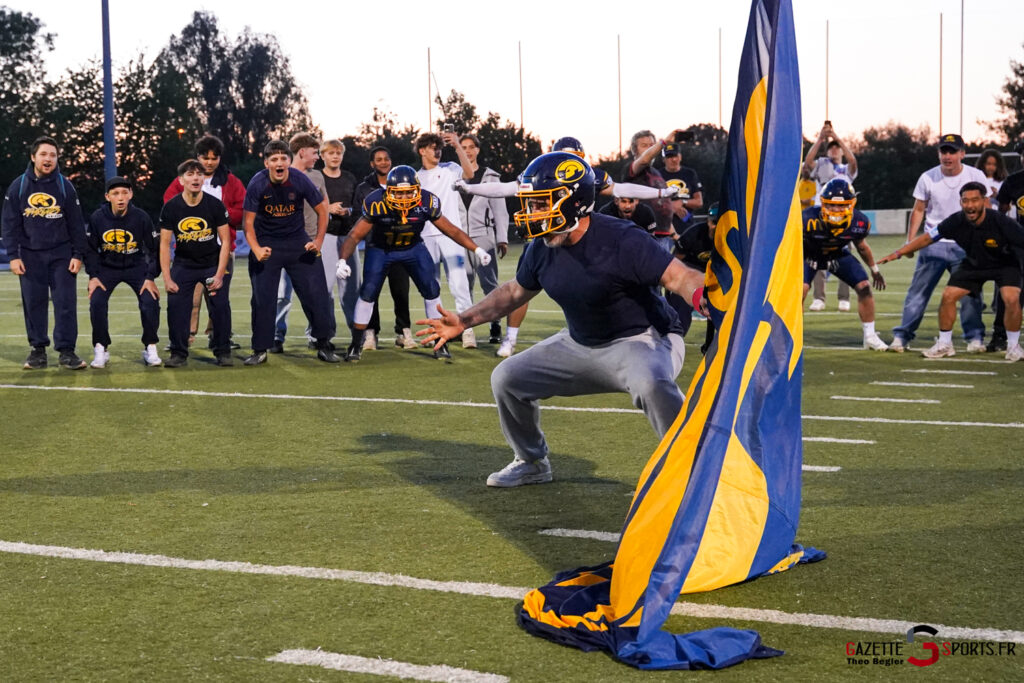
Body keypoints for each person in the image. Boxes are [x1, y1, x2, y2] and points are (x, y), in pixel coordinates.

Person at [417, 152, 705, 487]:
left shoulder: (622, 238)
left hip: (643, 338)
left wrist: (703, 295)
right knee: (507, 378)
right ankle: (531, 461)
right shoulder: (542, 247)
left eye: (541, 203)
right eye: (530, 204)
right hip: (581, 342)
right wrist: (464, 320)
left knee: (652, 384)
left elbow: (679, 276)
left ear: (575, 201)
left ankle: (697, 467)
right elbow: (514, 293)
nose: (532, 213)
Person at [455, 135, 676, 358]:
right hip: (545, 235)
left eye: (572, 159)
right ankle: (511, 338)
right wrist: (471, 189)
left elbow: (623, 189)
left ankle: (605, 334)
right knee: (522, 285)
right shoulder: (540, 174)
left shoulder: (589, 177)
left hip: (583, 238)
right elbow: (506, 188)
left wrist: (660, 193)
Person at [337, 165, 492, 362]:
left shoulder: (427, 202)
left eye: (408, 192)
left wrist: (476, 249)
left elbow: (451, 230)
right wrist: (342, 260)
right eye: (399, 193)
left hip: (413, 248)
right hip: (381, 250)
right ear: (388, 191)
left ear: (417, 190)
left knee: (431, 289)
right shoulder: (376, 202)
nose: (403, 198)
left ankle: (440, 342)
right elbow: (355, 235)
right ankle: (356, 343)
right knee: (367, 293)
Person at [878, 181, 1024, 361]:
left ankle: (1013, 347)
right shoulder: (956, 221)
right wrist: (899, 253)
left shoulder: (1001, 221)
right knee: (948, 296)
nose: (970, 205)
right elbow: (927, 238)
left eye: (975, 200)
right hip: (974, 264)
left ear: (984, 201)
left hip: (1005, 264)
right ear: (961, 202)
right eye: (965, 201)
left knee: (1011, 298)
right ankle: (945, 344)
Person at [241, 139, 338, 365]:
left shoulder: (300, 179)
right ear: (266, 163)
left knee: (316, 294)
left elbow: (323, 211)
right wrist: (256, 249)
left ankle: (323, 344)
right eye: (274, 159)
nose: (279, 163)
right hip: (267, 244)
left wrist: (318, 242)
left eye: (283, 158)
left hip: (298, 243)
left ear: (289, 160)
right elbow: (247, 223)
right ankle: (260, 349)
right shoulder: (257, 183)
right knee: (263, 299)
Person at [890, 134, 988, 352]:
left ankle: (975, 338)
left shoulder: (976, 175)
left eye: (952, 151)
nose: (947, 156)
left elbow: (986, 208)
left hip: (966, 245)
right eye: (944, 151)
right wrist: (909, 242)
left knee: (970, 293)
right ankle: (902, 337)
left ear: (962, 153)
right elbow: (919, 210)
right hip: (932, 244)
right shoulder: (928, 177)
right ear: (938, 154)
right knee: (918, 293)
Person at [1, 135, 88, 370]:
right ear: (33, 157)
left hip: (62, 255)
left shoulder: (65, 186)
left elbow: (76, 224)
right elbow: (9, 224)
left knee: (65, 303)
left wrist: (78, 254)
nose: (48, 159)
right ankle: (37, 351)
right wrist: (13, 256)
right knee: (34, 303)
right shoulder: (18, 186)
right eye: (43, 154)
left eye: (52, 155)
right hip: (30, 256)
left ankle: (67, 352)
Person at [163, 134, 245, 349]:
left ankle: (219, 337)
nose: (209, 162)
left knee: (218, 297)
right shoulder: (184, 179)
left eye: (214, 158)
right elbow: (169, 204)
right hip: (189, 251)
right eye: (205, 157)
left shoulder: (231, 181)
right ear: (197, 156)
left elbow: (242, 209)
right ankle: (185, 337)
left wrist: (219, 215)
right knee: (191, 299)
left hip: (222, 249)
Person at [158, 160, 234, 367]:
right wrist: (167, 278)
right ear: (181, 180)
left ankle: (223, 351)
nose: (196, 178)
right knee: (176, 306)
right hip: (184, 265)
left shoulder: (215, 205)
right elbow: (164, 245)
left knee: (220, 306)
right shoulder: (171, 207)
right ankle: (178, 353)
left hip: (211, 264)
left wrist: (219, 275)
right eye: (190, 174)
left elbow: (225, 241)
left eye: (199, 174)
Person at [801, 179, 888, 350]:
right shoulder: (807, 218)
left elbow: (862, 247)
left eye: (841, 206)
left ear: (851, 204)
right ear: (823, 203)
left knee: (864, 287)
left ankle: (870, 336)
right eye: (831, 205)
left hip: (837, 254)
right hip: (809, 254)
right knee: (800, 290)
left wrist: (875, 270)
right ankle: (791, 335)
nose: (835, 210)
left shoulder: (859, 222)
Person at [85, 176, 162, 368]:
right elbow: (91, 249)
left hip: (136, 266)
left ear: (131, 194)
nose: (120, 198)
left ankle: (150, 346)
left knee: (150, 301)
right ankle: (101, 348)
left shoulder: (141, 217)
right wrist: (93, 276)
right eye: (115, 193)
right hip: (107, 267)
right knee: (97, 301)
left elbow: (154, 249)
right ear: (107, 196)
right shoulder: (97, 218)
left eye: (124, 193)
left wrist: (150, 277)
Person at [415, 131, 477, 348]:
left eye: (439, 148)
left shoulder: (450, 169)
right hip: (425, 237)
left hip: (451, 235)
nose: (437, 151)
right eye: (433, 148)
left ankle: (467, 330)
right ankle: (436, 331)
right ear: (422, 151)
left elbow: (470, 173)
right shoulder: (415, 177)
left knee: (459, 284)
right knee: (431, 287)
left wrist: (457, 145)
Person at [272, 133, 330, 353]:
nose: (317, 157)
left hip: (310, 243)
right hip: (285, 243)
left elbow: (324, 206)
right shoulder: (281, 174)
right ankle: (276, 336)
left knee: (314, 294)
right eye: (315, 153)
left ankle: (317, 336)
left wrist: (319, 239)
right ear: (302, 152)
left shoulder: (317, 176)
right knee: (281, 295)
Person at [353, 145, 414, 350]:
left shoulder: (403, 183)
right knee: (372, 292)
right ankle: (371, 333)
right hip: (376, 247)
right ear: (372, 163)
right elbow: (358, 216)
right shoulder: (363, 188)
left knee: (401, 291)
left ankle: (403, 331)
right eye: (378, 159)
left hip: (399, 245)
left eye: (386, 159)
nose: (383, 162)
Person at [457, 133, 509, 344]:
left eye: (471, 147)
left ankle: (495, 324)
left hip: (484, 237)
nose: (468, 151)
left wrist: (502, 238)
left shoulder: (490, 176)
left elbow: (500, 210)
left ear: (478, 150)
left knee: (489, 284)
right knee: (464, 284)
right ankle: (466, 328)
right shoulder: (453, 176)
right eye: (463, 147)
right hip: (459, 238)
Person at [803, 122, 858, 312]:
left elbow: (853, 161)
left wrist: (836, 137)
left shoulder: (846, 169)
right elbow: (808, 162)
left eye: (836, 148)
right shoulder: (822, 165)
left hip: (843, 218)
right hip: (821, 215)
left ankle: (844, 298)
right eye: (831, 148)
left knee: (844, 255)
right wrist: (820, 139)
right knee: (816, 255)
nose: (834, 150)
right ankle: (819, 298)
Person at [319, 139, 359, 336]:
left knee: (351, 288)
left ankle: (357, 331)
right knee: (324, 288)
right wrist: (328, 209)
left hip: (348, 236)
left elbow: (358, 207)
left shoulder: (350, 178)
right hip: (325, 236)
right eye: (331, 153)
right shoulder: (316, 178)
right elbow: (307, 206)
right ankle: (322, 333)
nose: (335, 156)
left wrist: (347, 211)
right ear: (322, 156)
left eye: (338, 153)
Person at [670, 202, 719, 348]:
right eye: (714, 222)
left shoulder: (732, 238)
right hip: (692, 270)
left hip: (717, 273)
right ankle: (674, 339)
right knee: (680, 308)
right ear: (708, 221)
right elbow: (676, 260)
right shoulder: (693, 234)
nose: (716, 227)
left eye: (720, 223)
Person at [992, 141, 1024, 351]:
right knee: (1010, 289)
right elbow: (1002, 211)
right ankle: (999, 335)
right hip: (1020, 244)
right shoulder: (1013, 181)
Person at [659, 141, 704, 252]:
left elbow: (699, 202)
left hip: (687, 229)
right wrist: (671, 206)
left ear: (680, 157)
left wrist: (683, 202)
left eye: (675, 156)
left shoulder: (689, 174)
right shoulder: (658, 175)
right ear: (664, 159)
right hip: (665, 231)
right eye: (669, 157)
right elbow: (651, 203)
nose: (673, 159)